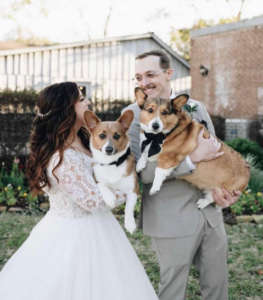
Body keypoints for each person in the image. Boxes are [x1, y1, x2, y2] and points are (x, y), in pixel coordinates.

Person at [0, 82, 158, 300]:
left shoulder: (86, 140)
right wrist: (132, 185)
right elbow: (94, 201)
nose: (89, 102)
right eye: (82, 99)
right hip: (73, 235)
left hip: (101, 227)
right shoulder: (62, 157)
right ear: (67, 108)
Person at [123, 50, 241, 300]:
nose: (144, 83)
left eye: (150, 74)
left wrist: (227, 190)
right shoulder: (134, 115)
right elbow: (139, 175)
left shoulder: (196, 108)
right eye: (138, 78)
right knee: (173, 290)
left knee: (218, 287)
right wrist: (190, 159)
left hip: (210, 215)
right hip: (170, 218)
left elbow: (216, 153)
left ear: (168, 73)